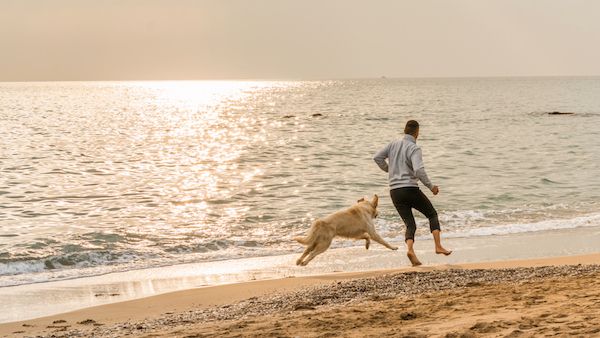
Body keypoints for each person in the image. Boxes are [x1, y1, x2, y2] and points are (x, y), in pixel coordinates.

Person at [373, 120, 451, 266]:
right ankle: (438, 246)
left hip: (395, 192)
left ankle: (410, 250)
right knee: (432, 214)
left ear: (405, 130)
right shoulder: (414, 148)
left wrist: (389, 170)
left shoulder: (392, 145)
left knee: (410, 224)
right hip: (410, 189)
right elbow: (418, 170)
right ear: (417, 132)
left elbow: (377, 157)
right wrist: (431, 187)